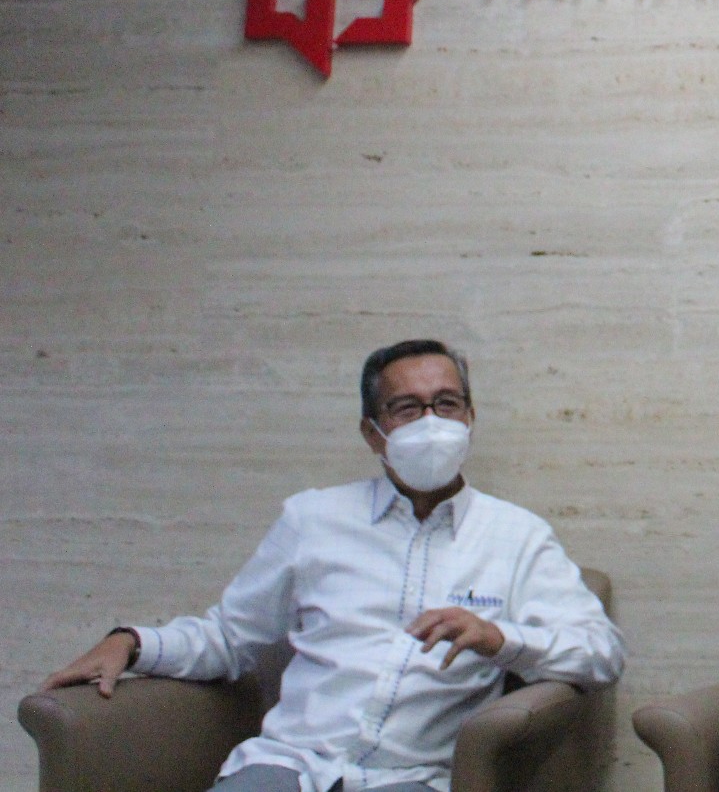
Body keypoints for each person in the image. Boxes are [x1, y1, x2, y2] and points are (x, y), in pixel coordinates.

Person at [39, 339, 625, 792]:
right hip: (290, 765)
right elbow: (230, 638)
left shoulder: (516, 536)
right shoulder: (313, 519)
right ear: (373, 432)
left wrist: (500, 639)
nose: (431, 422)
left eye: (446, 404)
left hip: (413, 777)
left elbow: (601, 653)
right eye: (406, 408)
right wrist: (132, 642)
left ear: (470, 417)